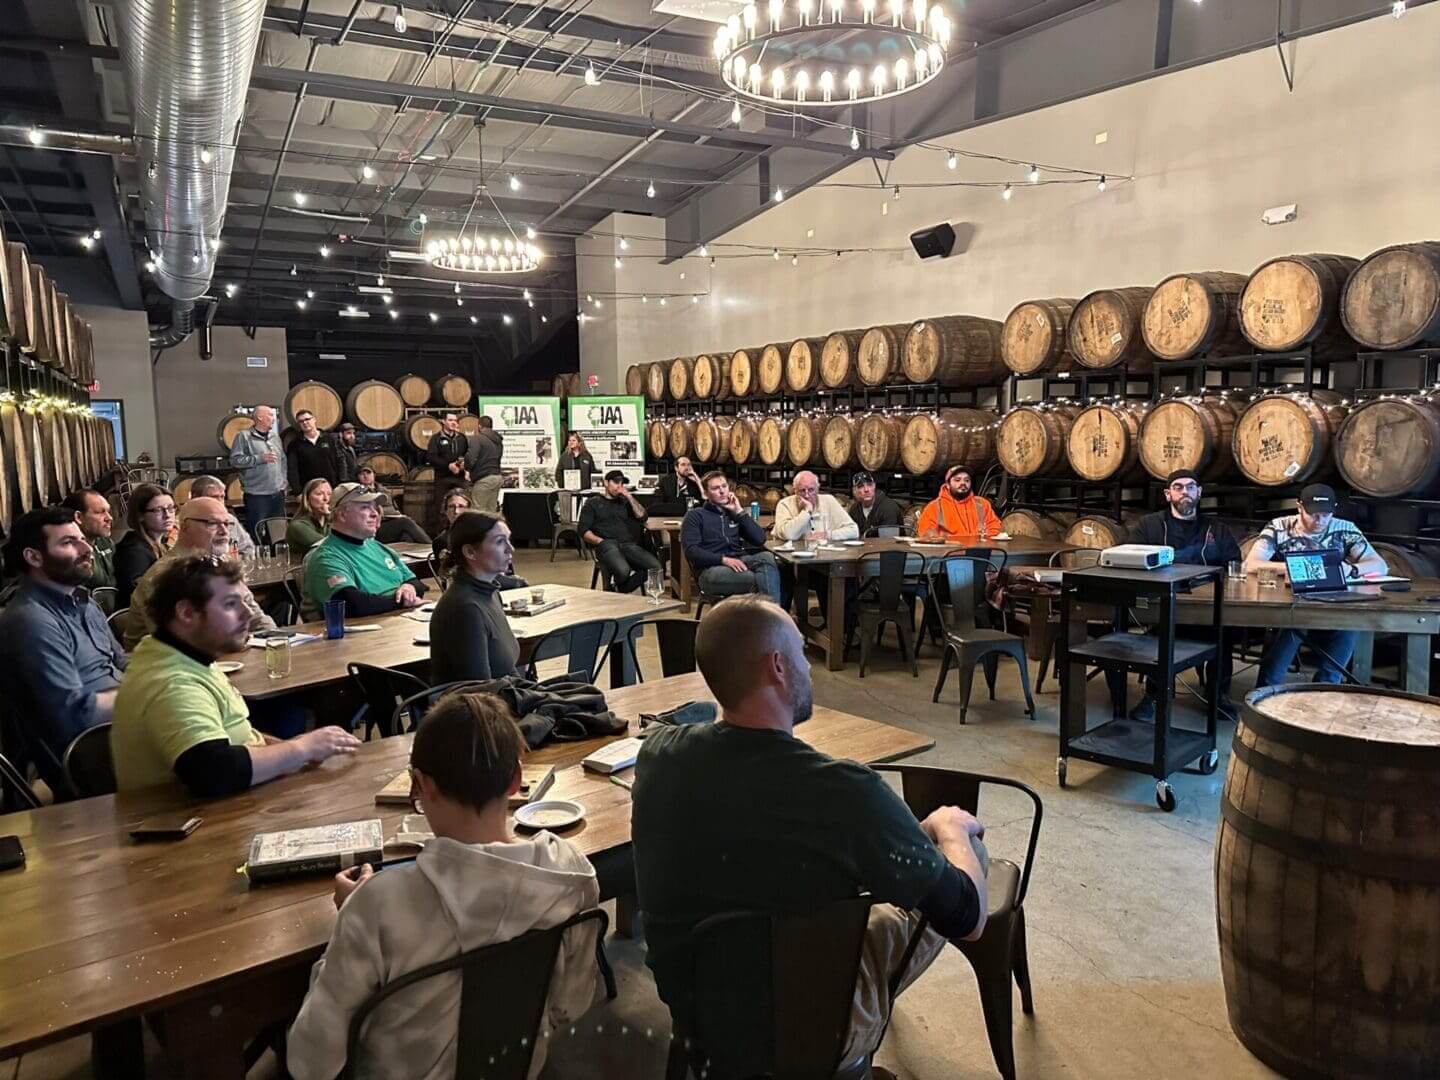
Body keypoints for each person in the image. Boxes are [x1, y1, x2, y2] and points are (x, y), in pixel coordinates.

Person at [632, 597, 987, 1076]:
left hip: (701, 1020)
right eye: (801, 651)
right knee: (971, 857)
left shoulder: (656, 758)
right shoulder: (844, 790)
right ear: (778, 667)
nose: (809, 666)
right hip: (812, 1030)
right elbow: (966, 916)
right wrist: (951, 829)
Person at [286, 691, 601, 1080]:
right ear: (517, 779)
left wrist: (351, 914)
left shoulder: (376, 907)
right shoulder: (569, 872)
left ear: (422, 785)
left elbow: (310, 1062)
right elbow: (572, 1003)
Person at [110, 555, 360, 795]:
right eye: (230, 604)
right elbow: (213, 771)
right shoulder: (170, 681)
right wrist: (301, 748)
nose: (248, 614)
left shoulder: (180, 655)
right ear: (187, 613)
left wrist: (292, 751)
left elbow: (233, 737)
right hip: (195, 827)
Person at [0, 507, 127, 798]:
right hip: (92, 758)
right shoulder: (31, 620)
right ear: (34, 557)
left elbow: (121, 662)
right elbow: (74, 715)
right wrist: (147, 690)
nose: (86, 548)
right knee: (215, 760)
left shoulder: (83, 601)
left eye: (82, 538)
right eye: (68, 542)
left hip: (125, 728)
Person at [1127, 469, 1243, 721]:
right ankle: (1155, 696)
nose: (1185, 492)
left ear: (1199, 493)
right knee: (1162, 634)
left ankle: (1217, 697)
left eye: (1191, 487)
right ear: (1168, 494)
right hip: (1165, 605)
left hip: (1207, 608)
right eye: (1178, 487)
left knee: (1223, 635)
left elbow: (1234, 562)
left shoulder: (1217, 529)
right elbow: (1133, 559)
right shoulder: (1149, 525)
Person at [1246, 484, 1388, 687]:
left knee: (1350, 625)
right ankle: (1267, 687)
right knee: (1293, 623)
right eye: (1313, 514)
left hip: (1334, 602)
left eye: (1326, 514)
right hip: (1292, 599)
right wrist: (1299, 567)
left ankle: (1327, 686)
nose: (1320, 520)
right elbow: (1251, 564)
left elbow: (1380, 565)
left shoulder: (1345, 528)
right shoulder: (1279, 526)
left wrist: (1352, 569)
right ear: (1299, 507)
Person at [124, 497, 278, 651]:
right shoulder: (164, 576)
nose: (224, 531)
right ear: (184, 526)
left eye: (226, 524)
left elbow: (256, 616)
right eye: (212, 523)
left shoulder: (221, 561)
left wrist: (277, 641)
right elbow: (176, 644)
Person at [303, 483, 427, 616]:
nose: (375, 514)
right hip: (363, 632)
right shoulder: (327, 557)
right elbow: (351, 604)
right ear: (342, 514)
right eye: (365, 507)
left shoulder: (378, 547)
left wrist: (409, 587)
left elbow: (417, 583)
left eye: (374, 507)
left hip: (399, 623)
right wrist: (402, 601)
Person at [429, 512, 522, 685]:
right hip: (479, 708)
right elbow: (480, 692)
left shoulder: (491, 592)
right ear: (470, 552)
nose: (511, 549)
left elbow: (508, 669)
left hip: (501, 700)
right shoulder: (465, 608)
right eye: (500, 541)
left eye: (509, 540)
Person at [680, 471, 782, 604]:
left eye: (724, 486)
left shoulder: (733, 514)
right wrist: (723, 560)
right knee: (766, 578)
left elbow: (760, 539)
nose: (722, 491)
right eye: (716, 488)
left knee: (767, 558)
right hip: (710, 571)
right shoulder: (695, 516)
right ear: (705, 493)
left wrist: (739, 511)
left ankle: (768, 618)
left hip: (739, 561)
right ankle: (775, 618)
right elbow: (692, 551)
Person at [580, 470, 661, 593]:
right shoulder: (593, 503)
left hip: (627, 544)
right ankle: (618, 591)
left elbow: (642, 517)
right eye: (616, 482)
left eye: (622, 483)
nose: (619, 486)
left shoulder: (624, 502)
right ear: (606, 483)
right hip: (607, 544)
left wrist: (629, 496)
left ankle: (617, 590)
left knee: (655, 567)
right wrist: (599, 541)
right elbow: (583, 530)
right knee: (623, 571)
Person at [229, 404, 287, 541]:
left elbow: (283, 460)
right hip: (257, 495)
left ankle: (278, 558)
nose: (273, 418)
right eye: (270, 415)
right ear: (259, 417)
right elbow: (235, 460)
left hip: (277, 493)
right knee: (257, 533)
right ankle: (259, 559)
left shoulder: (275, 437)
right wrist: (259, 458)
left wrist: (283, 481)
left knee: (278, 533)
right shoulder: (244, 437)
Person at [114, 482, 176, 606]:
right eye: (158, 510)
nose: (167, 515)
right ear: (140, 515)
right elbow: (140, 595)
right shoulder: (133, 551)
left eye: (170, 508)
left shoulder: (158, 544)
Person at [61, 487, 117, 603]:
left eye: (108, 511)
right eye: (100, 512)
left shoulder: (105, 542)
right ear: (79, 517)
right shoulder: (69, 555)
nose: (109, 518)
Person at [916, 464, 1000, 540]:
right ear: (948, 485)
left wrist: (984, 537)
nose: (963, 483)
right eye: (957, 480)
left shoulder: (982, 503)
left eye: (967, 480)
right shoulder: (934, 506)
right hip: (949, 554)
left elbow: (995, 526)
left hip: (977, 552)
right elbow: (925, 533)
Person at [772, 471, 860, 542]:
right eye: (802, 491)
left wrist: (827, 535)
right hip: (790, 557)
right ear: (795, 491)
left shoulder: (828, 501)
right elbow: (788, 534)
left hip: (825, 556)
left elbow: (853, 530)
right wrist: (806, 512)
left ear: (817, 489)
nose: (807, 495)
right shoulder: (784, 504)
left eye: (811, 490)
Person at [356, 467, 432, 546]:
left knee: (407, 535)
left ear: (374, 475)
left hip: (389, 522)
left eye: (368, 473)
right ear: (358, 477)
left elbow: (394, 509)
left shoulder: (384, 490)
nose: (365, 476)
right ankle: (431, 547)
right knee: (405, 522)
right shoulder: (359, 492)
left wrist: (396, 514)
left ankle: (418, 555)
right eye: (362, 474)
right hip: (373, 526)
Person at [188, 475, 255, 559]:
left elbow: (247, 547)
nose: (220, 502)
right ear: (196, 498)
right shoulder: (186, 524)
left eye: (222, 497)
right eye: (214, 497)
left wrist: (238, 561)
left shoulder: (230, 519)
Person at [465, 414, 504, 513]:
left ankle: (478, 529)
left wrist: (467, 468)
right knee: (491, 512)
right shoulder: (498, 441)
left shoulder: (477, 438)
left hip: (484, 479)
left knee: (477, 512)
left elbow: (470, 458)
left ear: (479, 426)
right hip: (497, 477)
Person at [292, 409, 340, 487]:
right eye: (301, 421)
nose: (305, 423)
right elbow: (293, 470)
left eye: (307, 419)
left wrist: (339, 483)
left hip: (331, 486)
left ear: (314, 419)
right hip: (309, 488)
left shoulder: (329, 439)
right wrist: (297, 491)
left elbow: (338, 461)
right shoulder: (295, 444)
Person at [287, 478, 332, 557]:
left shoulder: (329, 523)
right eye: (319, 494)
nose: (326, 499)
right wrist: (334, 517)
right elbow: (328, 546)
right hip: (300, 568)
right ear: (307, 498)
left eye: (329, 494)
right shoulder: (298, 526)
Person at [430, 487, 474, 558]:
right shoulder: (440, 541)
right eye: (451, 506)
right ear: (445, 510)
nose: (456, 511)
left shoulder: (480, 535)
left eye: (461, 506)